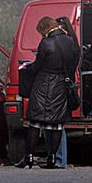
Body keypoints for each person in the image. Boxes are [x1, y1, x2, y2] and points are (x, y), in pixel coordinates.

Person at [15, 16, 77, 169]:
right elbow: (73, 63)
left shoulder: (46, 43)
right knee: (55, 124)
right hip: (61, 85)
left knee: (35, 123)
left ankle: (28, 158)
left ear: (44, 29)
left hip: (43, 85)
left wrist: (26, 67)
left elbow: (37, 67)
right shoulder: (70, 41)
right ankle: (52, 159)